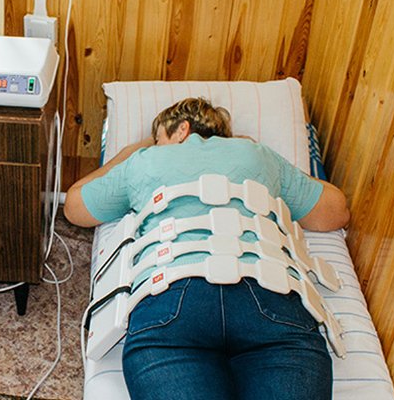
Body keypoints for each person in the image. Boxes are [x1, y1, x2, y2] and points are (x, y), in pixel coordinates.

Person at [65, 97, 350, 400]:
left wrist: (127, 154)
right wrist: (263, 156)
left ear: (182, 130)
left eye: (158, 138)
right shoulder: (258, 156)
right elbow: (336, 211)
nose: (155, 145)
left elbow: (75, 207)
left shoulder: (144, 161)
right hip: (271, 296)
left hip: (171, 301)